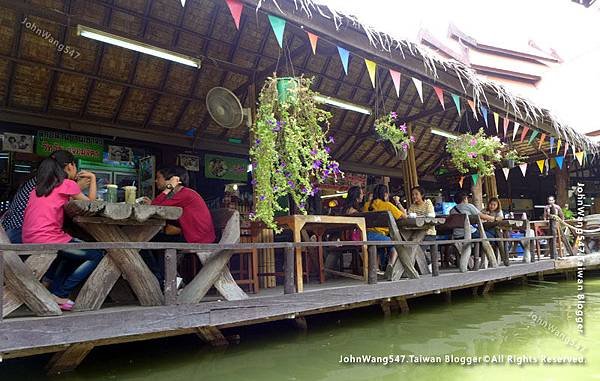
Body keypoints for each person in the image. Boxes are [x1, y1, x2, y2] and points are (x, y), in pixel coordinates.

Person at [22, 154, 103, 311]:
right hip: (49, 239)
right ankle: (60, 293)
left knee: (71, 254)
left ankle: (54, 290)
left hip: (30, 238)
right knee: (96, 255)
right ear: (69, 166)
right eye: (75, 166)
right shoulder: (67, 184)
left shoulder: (37, 189)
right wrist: (92, 178)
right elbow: (90, 206)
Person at [142, 166, 216, 285]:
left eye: (158, 178)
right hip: (195, 235)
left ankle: (163, 281)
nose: (156, 181)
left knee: (149, 241)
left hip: (197, 238)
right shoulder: (180, 194)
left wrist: (168, 188)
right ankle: (165, 281)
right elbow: (157, 207)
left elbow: (155, 208)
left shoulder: (185, 194)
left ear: (172, 179)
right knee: (149, 240)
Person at [1, 151, 91, 243]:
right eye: (75, 165)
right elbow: (88, 203)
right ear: (69, 166)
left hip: (17, 230)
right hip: (20, 230)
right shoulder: (48, 182)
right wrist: (78, 187)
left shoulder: (42, 180)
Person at [363, 184, 406, 276]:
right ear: (385, 194)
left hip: (366, 236)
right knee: (397, 244)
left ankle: (377, 268)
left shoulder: (366, 205)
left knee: (381, 247)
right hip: (379, 236)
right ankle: (391, 265)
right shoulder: (387, 205)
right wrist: (398, 202)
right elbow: (404, 216)